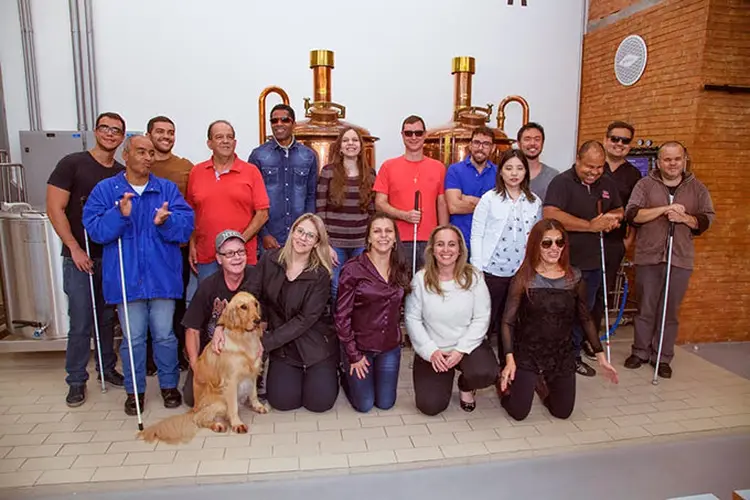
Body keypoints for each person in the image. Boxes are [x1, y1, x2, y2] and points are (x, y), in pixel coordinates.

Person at [83, 135, 194, 415]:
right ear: (126, 154)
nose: (147, 157)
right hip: (126, 278)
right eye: (141, 152)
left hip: (162, 278)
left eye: (151, 153)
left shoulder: (166, 190)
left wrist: (166, 222)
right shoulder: (107, 190)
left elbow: (185, 227)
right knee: (133, 339)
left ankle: (169, 386)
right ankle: (135, 392)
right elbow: (95, 230)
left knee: (165, 336)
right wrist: (119, 216)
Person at [213, 214, 338, 412]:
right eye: (300, 231)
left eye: (310, 236)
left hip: (313, 344)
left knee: (319, 403)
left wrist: (264, 343)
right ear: (292, 231)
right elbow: (247, 293)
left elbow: (304, 320)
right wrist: (222, 324)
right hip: (284, 347)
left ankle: (329, 371)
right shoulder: (270, 260)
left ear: (316, 243)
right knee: (283, 402)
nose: (303, 238)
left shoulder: (321, 275)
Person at [498, 219, 619, 421]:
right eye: (547, 243)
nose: (554, 248)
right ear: (536, 245)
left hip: (561, 353)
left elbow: (585, 318)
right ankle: (504, 388)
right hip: (528, 353)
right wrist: (510, 360)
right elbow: (507, 322)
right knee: (519, 413)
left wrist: (601, 356)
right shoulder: (523, 279)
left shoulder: (575, 278)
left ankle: (540, 385)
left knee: (562, 412)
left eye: (559, 242)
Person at [46, 111, 126, 407]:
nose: (110, 134)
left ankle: (106, 368)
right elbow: (55, 208)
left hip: (109, 257)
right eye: (105, 128)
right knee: (80, 320)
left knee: (107, 319)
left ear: (121, 137)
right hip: (79, 256)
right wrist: (74, 248)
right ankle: (76, 379)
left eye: (116, 131)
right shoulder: (72, 164)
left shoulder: (120, 173)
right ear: (96, 131)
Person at [623, 142, 714, 378]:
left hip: (680, 258)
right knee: (645, 308)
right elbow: (633, 214)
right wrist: (664, 209)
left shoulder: (697, 188)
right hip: (649, 256)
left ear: (684, 160)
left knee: (669, 310)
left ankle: (662, 356)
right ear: (659, 161)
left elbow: (706, 220)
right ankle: (640, 352)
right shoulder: (644, 185)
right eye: (667, 159)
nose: (672, 164)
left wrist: (685, 218)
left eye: (677, 159)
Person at [543, 140, 624, 377]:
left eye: (599, 167)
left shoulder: (607, 183)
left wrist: (611, 219)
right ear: (578, 160)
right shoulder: (562, 182)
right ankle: (551, 355)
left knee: (584, 312)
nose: (594, 172)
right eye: (589, 166)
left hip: (595, 261)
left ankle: (573, 356)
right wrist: (590, 226)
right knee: (559, 311)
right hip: (566, 261)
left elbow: (619, 210)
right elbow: (551, 214)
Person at [405, 225, 497, 416]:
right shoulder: (420, 279)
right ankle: (442, 374)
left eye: (451, 244)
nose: (446, 250)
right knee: (430, 406)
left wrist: (461, 350)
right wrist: (430, 351)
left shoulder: (474, 277)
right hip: (434, 349)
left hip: (466, 346)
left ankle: (465, 385)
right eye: (440, 244)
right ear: (432, 249)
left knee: (485, 372)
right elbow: (412, 319)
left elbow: (481, 317)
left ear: (460, 249)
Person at [334, 214, 411, 413]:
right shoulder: (353, 269)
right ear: (368, 238)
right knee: (365, 405)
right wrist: (353, 355)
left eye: (388, 231)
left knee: (386, 404)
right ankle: (344, 374)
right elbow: (342, 317)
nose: (383, 236)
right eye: (377, 231)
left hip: (389, 347)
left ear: (395, 237)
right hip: (360, 347)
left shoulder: (401, 266)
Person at [583, 120, 643, 360]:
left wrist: (629, 241)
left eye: (625, 141)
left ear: (630, 145)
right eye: (615, 139)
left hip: (613, 243)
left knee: (602, 293)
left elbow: (635, 211)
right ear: (606, 139)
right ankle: (574, 337)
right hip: (587, 239)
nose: (619, 144)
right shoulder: (593, 167)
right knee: (582, 290)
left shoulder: (634, 174)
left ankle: (592, 339)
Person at [470, 149, 542, 351]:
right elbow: (476, 235)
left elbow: (537, 239)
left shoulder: (534, 202)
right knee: (486, 319)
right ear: (500, 172)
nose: (514, 173)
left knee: (511, 320)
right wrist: (477, 269)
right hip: (492, 270)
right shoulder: (489, 199)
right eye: (508, 168)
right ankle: (479, 366)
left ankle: (507, 366)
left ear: (526, 172)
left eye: (519, 168)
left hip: (520, 272)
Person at [181, 230, 257, 407]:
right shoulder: (208, 286)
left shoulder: (256, 279)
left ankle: (249, 380)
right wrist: (195, 365)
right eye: (229, 254)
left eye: (240, 252)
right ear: (219, 258)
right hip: (216, 353)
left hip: (246, 348)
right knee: (192, 398)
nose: (236, 258)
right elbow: (192, 329)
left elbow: (265, 317)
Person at [187, 120, 269, 282]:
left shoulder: (251, 172)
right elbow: (191, 213)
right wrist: (192, 245)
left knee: (243, 305)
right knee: (212, 306)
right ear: (209, 143)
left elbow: (262, 214)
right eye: (219, 137)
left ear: (235, 142)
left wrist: (237, 244)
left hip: (242, 257)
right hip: (207, 257)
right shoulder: (196, 172)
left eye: (229, 137)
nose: (225, 141)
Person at [146, 115, 195, 372]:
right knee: (145, 304)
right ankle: (149, 360)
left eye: (171, 132)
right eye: (160, 132)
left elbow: (193, 207)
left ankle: (176, 358)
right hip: (144, 250)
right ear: (149, 134)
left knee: (175, 305)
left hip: (176, 249)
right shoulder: (141, 164)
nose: (166, 136)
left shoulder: (185, 166)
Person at [374, 115, 449, 275]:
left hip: (430, 240)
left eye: (418, 133)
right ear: (402, 135)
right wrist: (404, 216)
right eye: (409, 133)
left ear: (425, 134)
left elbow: (442, 204)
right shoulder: (388, 166)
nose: (413, 137)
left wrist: (443, 237)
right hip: (397, 240)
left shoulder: (439, 167)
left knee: (428, 288)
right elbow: (380, 203)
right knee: (400, 287)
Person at [316, 127, 376, 301]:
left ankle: (356, 326)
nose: (351, 144)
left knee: (360, 288)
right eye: (346, 140)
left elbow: (373, 212)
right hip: (335, 244)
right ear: (340, 147)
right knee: (336, 287)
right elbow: (320, 210)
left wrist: (370, 244)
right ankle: (338, 327)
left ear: (361, 146)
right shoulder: (328, 172)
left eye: (355, 140)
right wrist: (326, 244)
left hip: (360, 244)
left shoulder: (370, 175)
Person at [250, 104, 318, 251]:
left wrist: (307, 231)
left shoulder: (308, 156)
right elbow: (252, 200)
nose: (279, 124)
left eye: (284, 120)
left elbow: (311, 197)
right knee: (270, 275)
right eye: (274, 121)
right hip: (270, 240)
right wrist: (264, 235)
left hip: (300, 238)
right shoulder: (259, 155)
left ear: (293, 123)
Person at [444, 126, 498, 257]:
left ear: (493, 148)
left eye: (486, 144)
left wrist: (467, 198)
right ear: (470, 144)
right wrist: (486, 204)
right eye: (477, 142)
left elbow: (499, 208)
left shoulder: (500, 173)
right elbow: (454, 207)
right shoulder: (455, 170)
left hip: (489, 244)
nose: (480, 147)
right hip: (460, 243)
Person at [517, 122, 558, 202]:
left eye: (537, 139)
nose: (532, 143)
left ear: (542, 143)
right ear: (519, 143)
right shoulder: (509, 174)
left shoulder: (553, 176)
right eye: (527, 139)